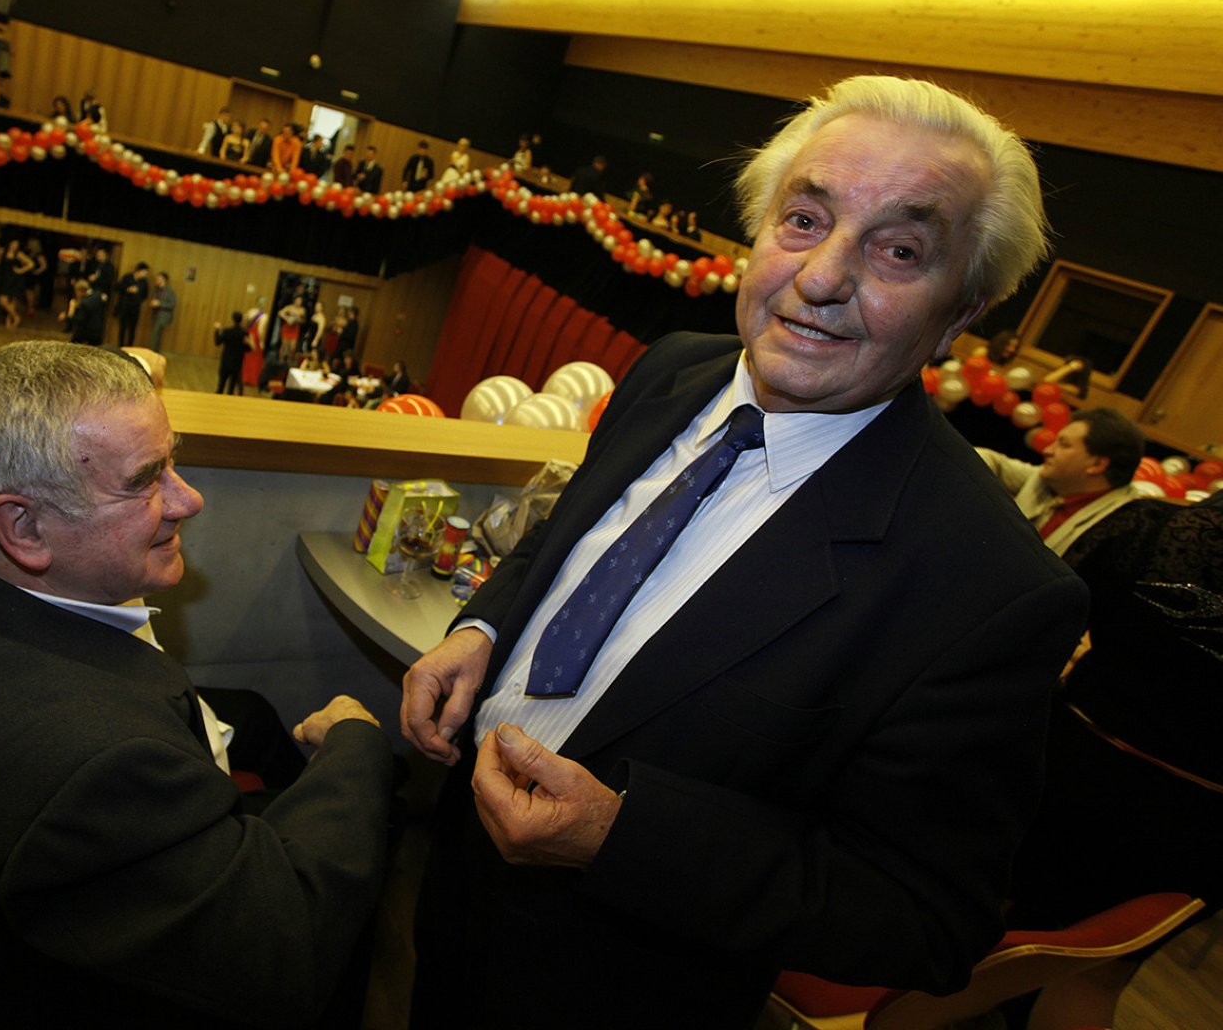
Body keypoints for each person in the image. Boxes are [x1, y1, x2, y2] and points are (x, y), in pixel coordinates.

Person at [401, 75, 1089, 1029]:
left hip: (621, 985)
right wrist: (482, 629)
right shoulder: (672, 367)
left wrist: (620, 837)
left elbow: (927, 917)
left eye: (898, 250)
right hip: (451, 890)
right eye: (805, 220)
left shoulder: (990, 589)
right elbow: (572, 545)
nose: (821, 278)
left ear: (962, 309)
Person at [0, 342, 393, 1027]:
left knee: (259, 718)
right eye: (145, 481)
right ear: (24, 528)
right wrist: (356, 743)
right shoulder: (101, 769)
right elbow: (285, 945)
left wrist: (115, 374)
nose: (189, 499)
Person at [1007, 488, 1223, 1029]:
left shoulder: (1155, 526)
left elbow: (1038, 614)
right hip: (1210, 827)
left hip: (1084, 771)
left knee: (994, 924)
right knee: (1096, 973)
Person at [977, 406, 1146, 556]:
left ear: (1097, 464)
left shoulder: (1120, 526)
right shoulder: (1050, 478)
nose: (1047, 450)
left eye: (1064, 445)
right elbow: (992, 461)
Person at [0, 238, 32, 330]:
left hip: (13, 279)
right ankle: (16, 317)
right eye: (13, 243)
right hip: (3, 278)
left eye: (16, 244)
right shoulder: (3, 251)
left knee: (12, 301)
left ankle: (9, 322)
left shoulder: (18, 254)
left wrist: (20, 270)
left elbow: (30, 264)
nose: (15, 246)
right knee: (2, 301)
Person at [114, 261, 151, 348]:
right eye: (144, 272)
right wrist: (128, 289)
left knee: (132, 329)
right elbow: (117, 287)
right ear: (138, 271)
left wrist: (138, 296)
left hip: (135, 308)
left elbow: (145, 295)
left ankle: (129, 347)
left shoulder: (144, 282)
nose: (145, 275)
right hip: (124, 306)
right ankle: (120, 346)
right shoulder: (127, 277)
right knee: (122, 328)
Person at [214, 311, 250, 395]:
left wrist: (217, 330)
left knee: (221, 385)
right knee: (231, 387)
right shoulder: (244, 333)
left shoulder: (227, 331)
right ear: (241, 320)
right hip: (237, 362)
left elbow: (217, 342)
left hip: (226, 360)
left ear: (233, 320)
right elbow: (248, 349)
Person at [61, 278, 106, 345]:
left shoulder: (84, 303)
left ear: (80, 290)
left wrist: (66, 317)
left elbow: (80, 320)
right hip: (99, 331)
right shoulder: (98, 295)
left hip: (88, 334)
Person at [149, 271, 177, 352]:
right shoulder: (155, 289)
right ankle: (155, 351)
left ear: (164, 280)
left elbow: (172, 304)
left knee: (155, 334)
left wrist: (160, 304)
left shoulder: (169, 291)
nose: (156, 280)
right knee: (155, 335)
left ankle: (152, 352)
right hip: (155, 314)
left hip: (163, 315)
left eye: (159, 278)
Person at [22, 238, 48, 315]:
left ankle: (31, 308)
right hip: (27, 275)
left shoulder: (38, 255)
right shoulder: (29, 253)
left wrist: (36, 271)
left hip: (32, 276)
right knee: (27, 292)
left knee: (30, 292)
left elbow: (44, 265)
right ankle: (29, 307)